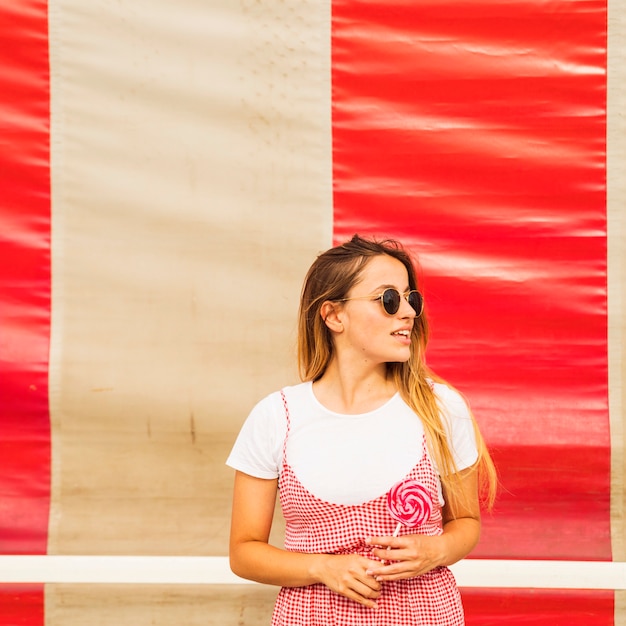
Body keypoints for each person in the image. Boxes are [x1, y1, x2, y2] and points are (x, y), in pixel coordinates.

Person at [226, 234, 497, 625]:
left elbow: (466, 523)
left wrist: (436, 551)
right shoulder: (277, 417)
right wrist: (321, 568)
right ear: (333, 315)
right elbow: (244, 551)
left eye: (411, 299)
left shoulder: (439, 408)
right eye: (389, 299)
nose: (408, 312)